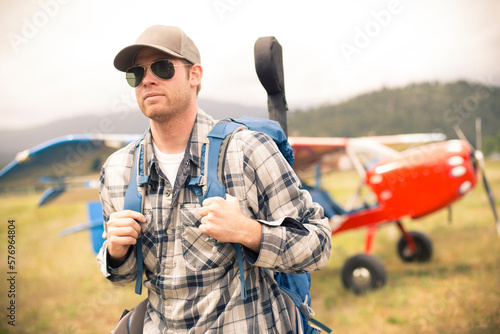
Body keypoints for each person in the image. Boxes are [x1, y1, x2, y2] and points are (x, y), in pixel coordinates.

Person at [97, 25, 332, 333]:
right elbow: (124, 276)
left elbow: (319, 244)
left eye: (162, 67)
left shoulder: (248, 150)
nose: (148, 79)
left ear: (195, 75)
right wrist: (115, 252)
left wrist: (250, 232)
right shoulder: (117, 171)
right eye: (136, 74)